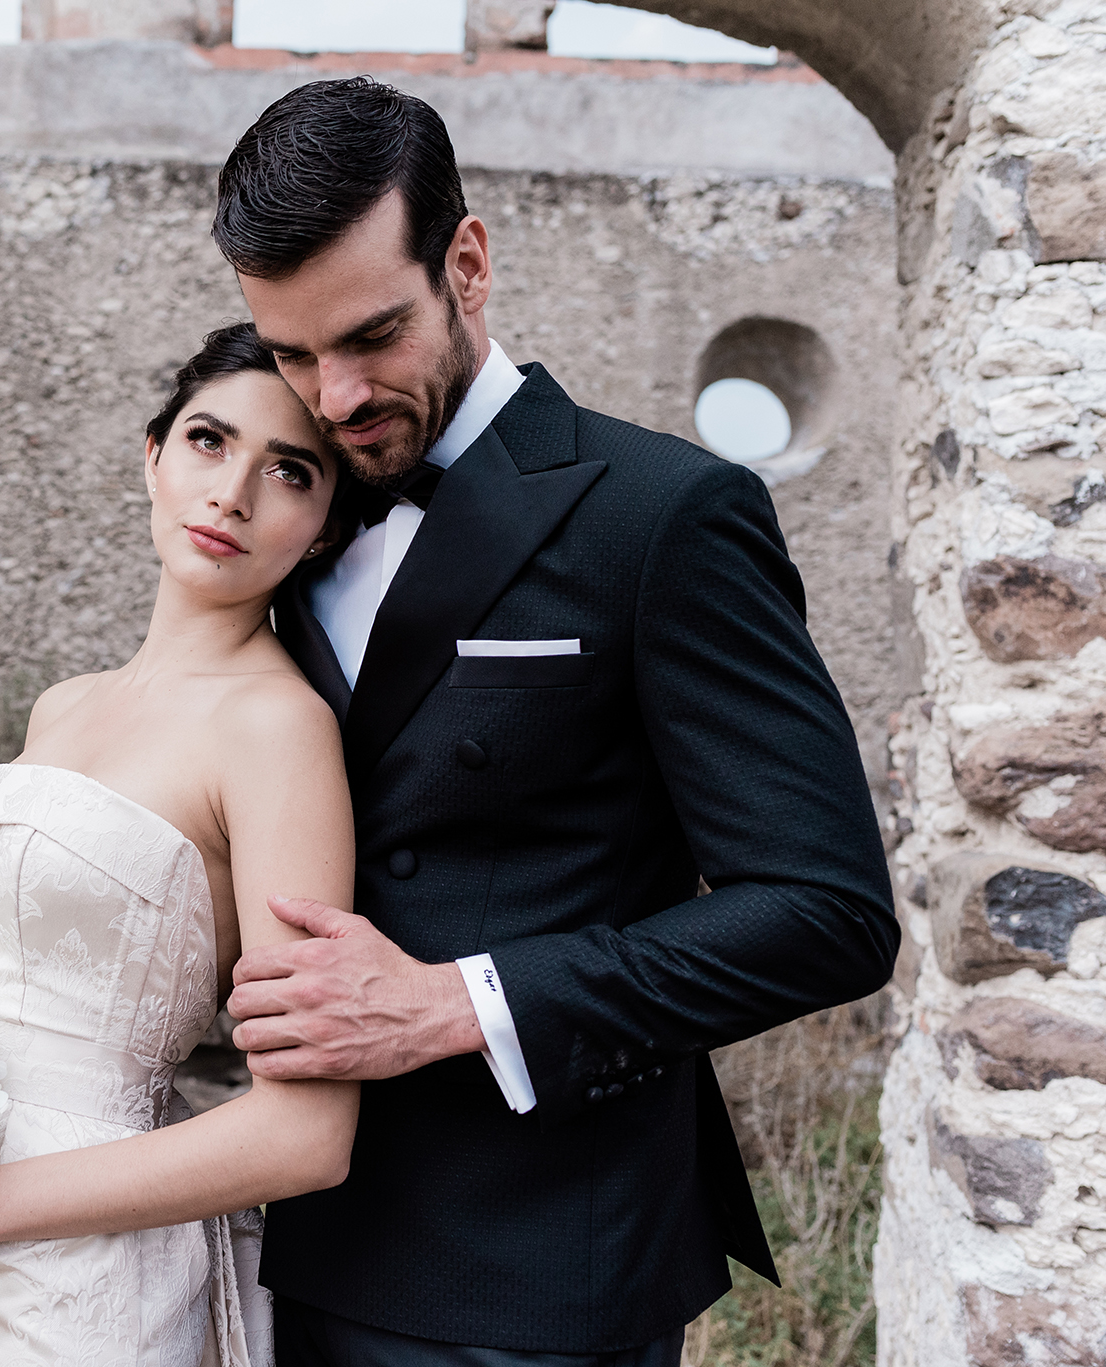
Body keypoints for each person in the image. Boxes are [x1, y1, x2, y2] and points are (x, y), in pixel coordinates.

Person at [212, 78, 900, 1366]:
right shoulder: (289, 513)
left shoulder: (665, 516)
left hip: (532, 1275)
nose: (337, 393)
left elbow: (826, 911)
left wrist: (455, 1004)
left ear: (465, 263)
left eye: (372, 336)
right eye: (293, 353)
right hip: (280, 1238)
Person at [0, 324, 361, 1365]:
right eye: (208, 440)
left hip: (78, 1276)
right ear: (150, 455)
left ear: (321, 526)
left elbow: (301, 1134)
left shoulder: (277, 729)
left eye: (289, 470)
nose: (231, 493)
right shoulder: (63, 706)